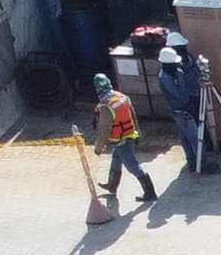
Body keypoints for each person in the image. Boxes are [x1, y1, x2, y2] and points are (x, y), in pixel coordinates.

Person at [89, 73, 158, 211]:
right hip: (129, 135)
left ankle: (150, 192)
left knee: (132, 165)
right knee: (116, 158)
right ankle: (112, 186)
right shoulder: (121, 97)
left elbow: (104, 128)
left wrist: (98, 148)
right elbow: (133, 115)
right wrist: (137, 133)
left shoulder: (105, 106)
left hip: (120, 140)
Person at [153, 42, 208, 182]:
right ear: (167, 64)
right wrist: (188, 105)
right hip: (181, 110)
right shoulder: (165, 78)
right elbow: (178, 94)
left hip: (181, 109)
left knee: (186, 137)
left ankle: (193, 162)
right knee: (193, 138)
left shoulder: (174, 73)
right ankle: (202, 164)